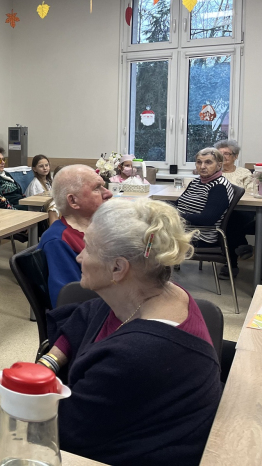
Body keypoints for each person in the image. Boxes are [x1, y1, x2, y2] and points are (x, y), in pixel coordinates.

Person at [38, 199, 220, 466]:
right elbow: (86, 315)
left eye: (87, 248)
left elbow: (61, 433)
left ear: (118, 268)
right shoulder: (158, 292)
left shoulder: (135, 356)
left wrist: (28, 390)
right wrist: (50, 361)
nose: (79, 257)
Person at [39, 165, 112, 307]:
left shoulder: (99, 229)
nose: (108, 193)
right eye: (97, 188)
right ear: (73, 201)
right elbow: (69, 304)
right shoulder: (58, 242)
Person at [176, 147, 237, 279]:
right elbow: (179, 203)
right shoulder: (197, 182)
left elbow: (207, 219)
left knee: (148, 237)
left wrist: (175, 216)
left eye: (208, 162)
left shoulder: (219, 186)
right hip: (185, 229)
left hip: (200, 236)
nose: (202, 166)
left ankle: (152, 279)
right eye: (199, 162)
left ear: (219, 165)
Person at [215, 139, 255, 261]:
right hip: (219, 211)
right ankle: (242, 245)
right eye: (219, 154)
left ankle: (231, 265)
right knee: (229, 219)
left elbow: (251, 192)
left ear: (235, 156)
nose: (223, 156)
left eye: (226, 153)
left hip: (243, 210)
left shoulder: (244, 172)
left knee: (231, 219)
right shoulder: (213, 173)